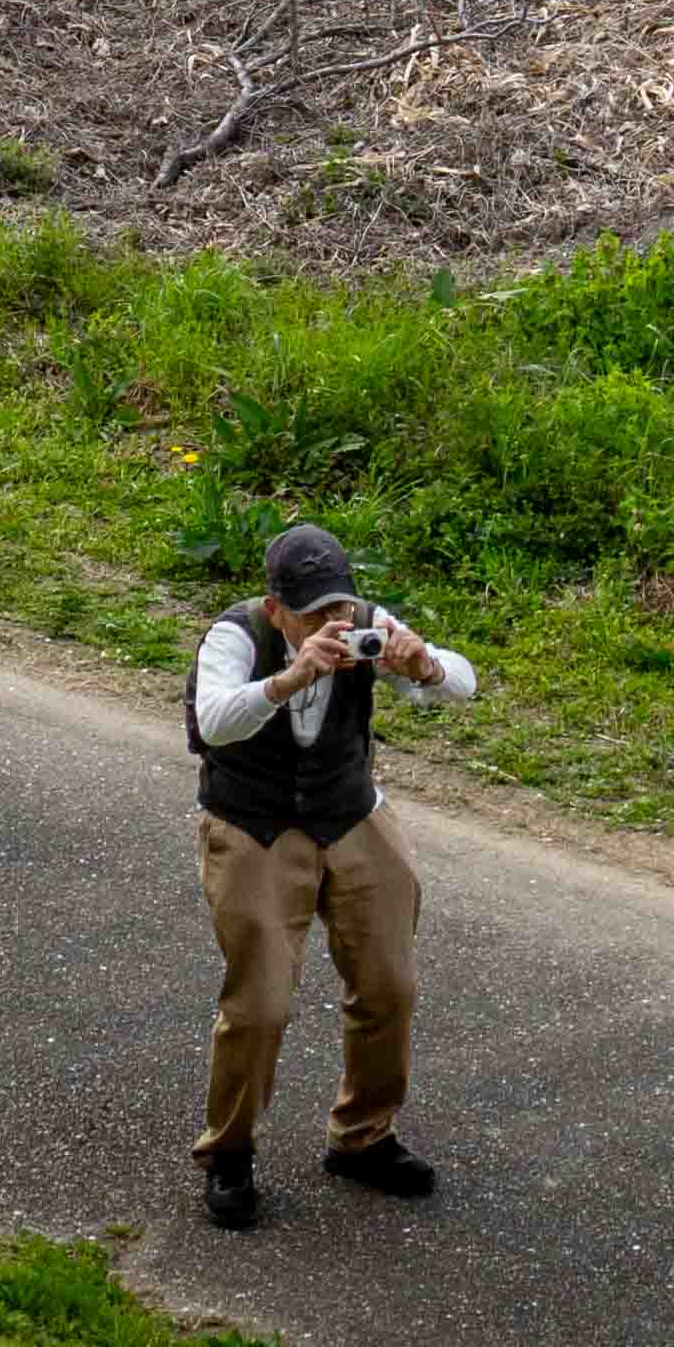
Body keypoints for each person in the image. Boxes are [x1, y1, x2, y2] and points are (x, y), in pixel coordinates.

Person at [184, 518, 475, 1228]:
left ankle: (363, 1137)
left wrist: (423, 667)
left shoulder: (366, 625)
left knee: (389, 983)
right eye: (314, 612)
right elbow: (214, 721)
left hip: (347, 810)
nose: (334, 622)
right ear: (276, 607)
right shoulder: (237, 637)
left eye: (340, 607)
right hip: (252, 820)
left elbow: (465, 682)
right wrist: (288, 678)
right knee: (260, 1004)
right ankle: (231, 1152)